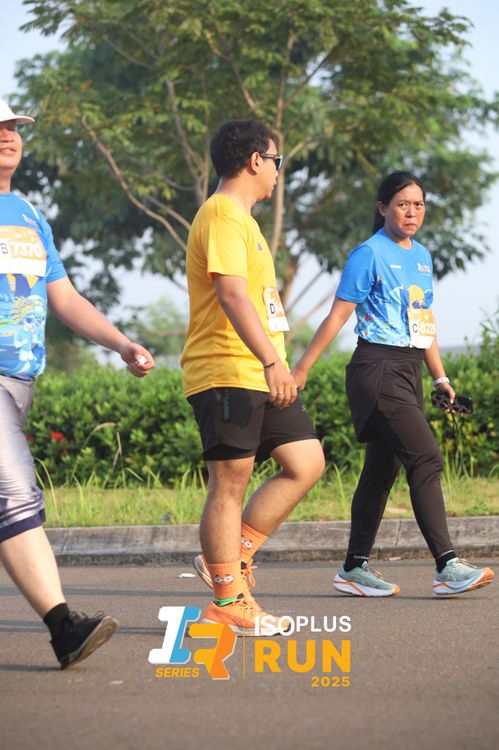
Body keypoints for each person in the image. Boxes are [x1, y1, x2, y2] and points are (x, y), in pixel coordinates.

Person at [0, 99, 155, 667]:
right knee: (15, 494)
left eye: (13, 127)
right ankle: (63, 628)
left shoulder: (28, 214)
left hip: (19, 380)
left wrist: (121, 343)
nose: (8, 135)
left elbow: (63, 297)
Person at [293, 171, 494, 597]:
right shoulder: (368, 254)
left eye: (419, 204)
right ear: (383, 207)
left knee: (382, 470)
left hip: (409, 370)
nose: (412, 212)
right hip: (377, 368)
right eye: (403, 204)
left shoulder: (422, 256)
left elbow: (424, 322)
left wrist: (440, 377)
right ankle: (448, 565)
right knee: (426, 458)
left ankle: (353, 568)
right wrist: (302, 368)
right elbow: (338, 315)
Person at [181, 119, 325, 633]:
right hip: (228, 367)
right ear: (255, 161)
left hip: (259, 371)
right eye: (277, 161)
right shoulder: (221, 213)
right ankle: (227, 599)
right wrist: (271, 360)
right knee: (230, 483)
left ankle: (232, 556)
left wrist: (273, 364)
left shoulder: (244, 220)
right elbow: (231, 295)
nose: (279, 172)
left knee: (306, 462)